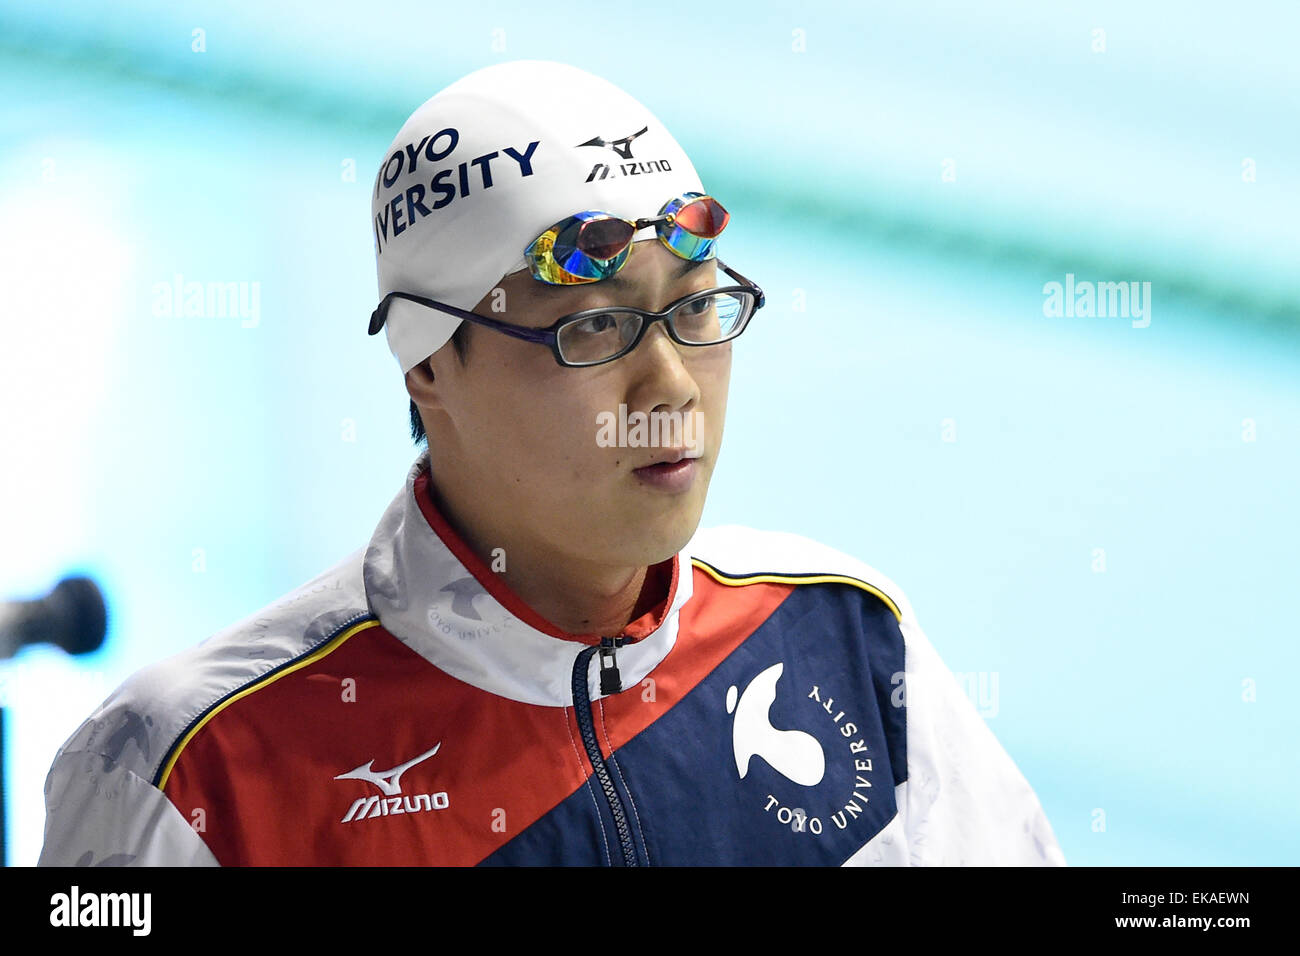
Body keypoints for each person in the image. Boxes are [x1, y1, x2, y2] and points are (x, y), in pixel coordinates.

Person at [38, 59, 1064, 866]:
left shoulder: (841, 639)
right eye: (595, 326)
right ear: (430, 364)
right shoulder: (199, 775)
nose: (670, 384)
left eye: (697, 305)